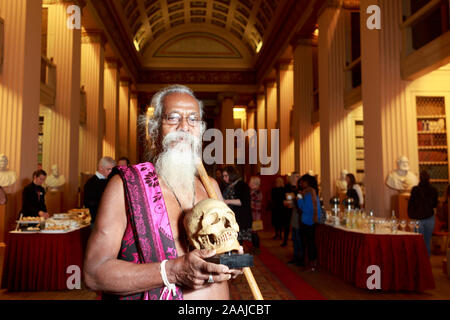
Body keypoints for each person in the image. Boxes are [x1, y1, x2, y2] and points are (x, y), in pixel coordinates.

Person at [84, 85, 242, 300]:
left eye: (193, 119)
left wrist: (232, 263)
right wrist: (173, 271)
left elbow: (222, 253)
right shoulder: (126, 187)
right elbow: (94, 273)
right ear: (154, 129)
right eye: (173, 118)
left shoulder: (210, 186)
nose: (184, 127)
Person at [408, 171, 438, 256]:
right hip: (429, 217)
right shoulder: (433, 190)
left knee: (418, 242)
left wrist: (411, 215)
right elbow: (435, 204)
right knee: (427, 241)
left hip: (417, 218)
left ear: (419, 178)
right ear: (429, 178)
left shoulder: (415, 189)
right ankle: (427, 264)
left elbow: (411, 204)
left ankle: (419, 263)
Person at [222, 166, 252, 246]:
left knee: (238, 242)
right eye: (223, 176)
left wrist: (226, 201)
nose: (224, 178)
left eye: (226, 176)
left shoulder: (242, 185)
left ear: (232, 175)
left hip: (240, 218)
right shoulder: (230, 186)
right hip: (232, 217)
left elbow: (243, 202)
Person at [297, 174, 322, 272]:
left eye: (303, 181)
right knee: (310, 243)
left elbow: (305, 207)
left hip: (308, 221)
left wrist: (299, 200)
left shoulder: (308, 192)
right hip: (311, 220)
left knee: (310, 243)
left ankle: (312, 264)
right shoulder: (312, 191)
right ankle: (312, 263)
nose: (301, 183)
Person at [83, 157, 116, 224]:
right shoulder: (91, 183)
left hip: (108, 220)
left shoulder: (109, 181)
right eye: (109, 169)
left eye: (112, 170)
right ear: (101, 168)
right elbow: (89, 204)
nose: (111, 172)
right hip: (97, 221)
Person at [282, 172, 300, 247]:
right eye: (296, 176)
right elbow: (286, 197)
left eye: (299, 176)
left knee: (296, 226)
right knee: (287, 225)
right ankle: (285, 240)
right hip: (288, 209)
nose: (298, 178)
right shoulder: (287, 186)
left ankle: (294, 240)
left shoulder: (299, 187)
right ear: (292, 177)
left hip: (297, 209)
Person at [249, 176, 262, 252]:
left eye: (250, 181)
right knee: (253, 231)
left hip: (255, 214)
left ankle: (256, 248)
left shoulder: (256, 191)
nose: (249, 183)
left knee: (255, 232)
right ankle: (254, 247)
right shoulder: (253, 191)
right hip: (254, 212)